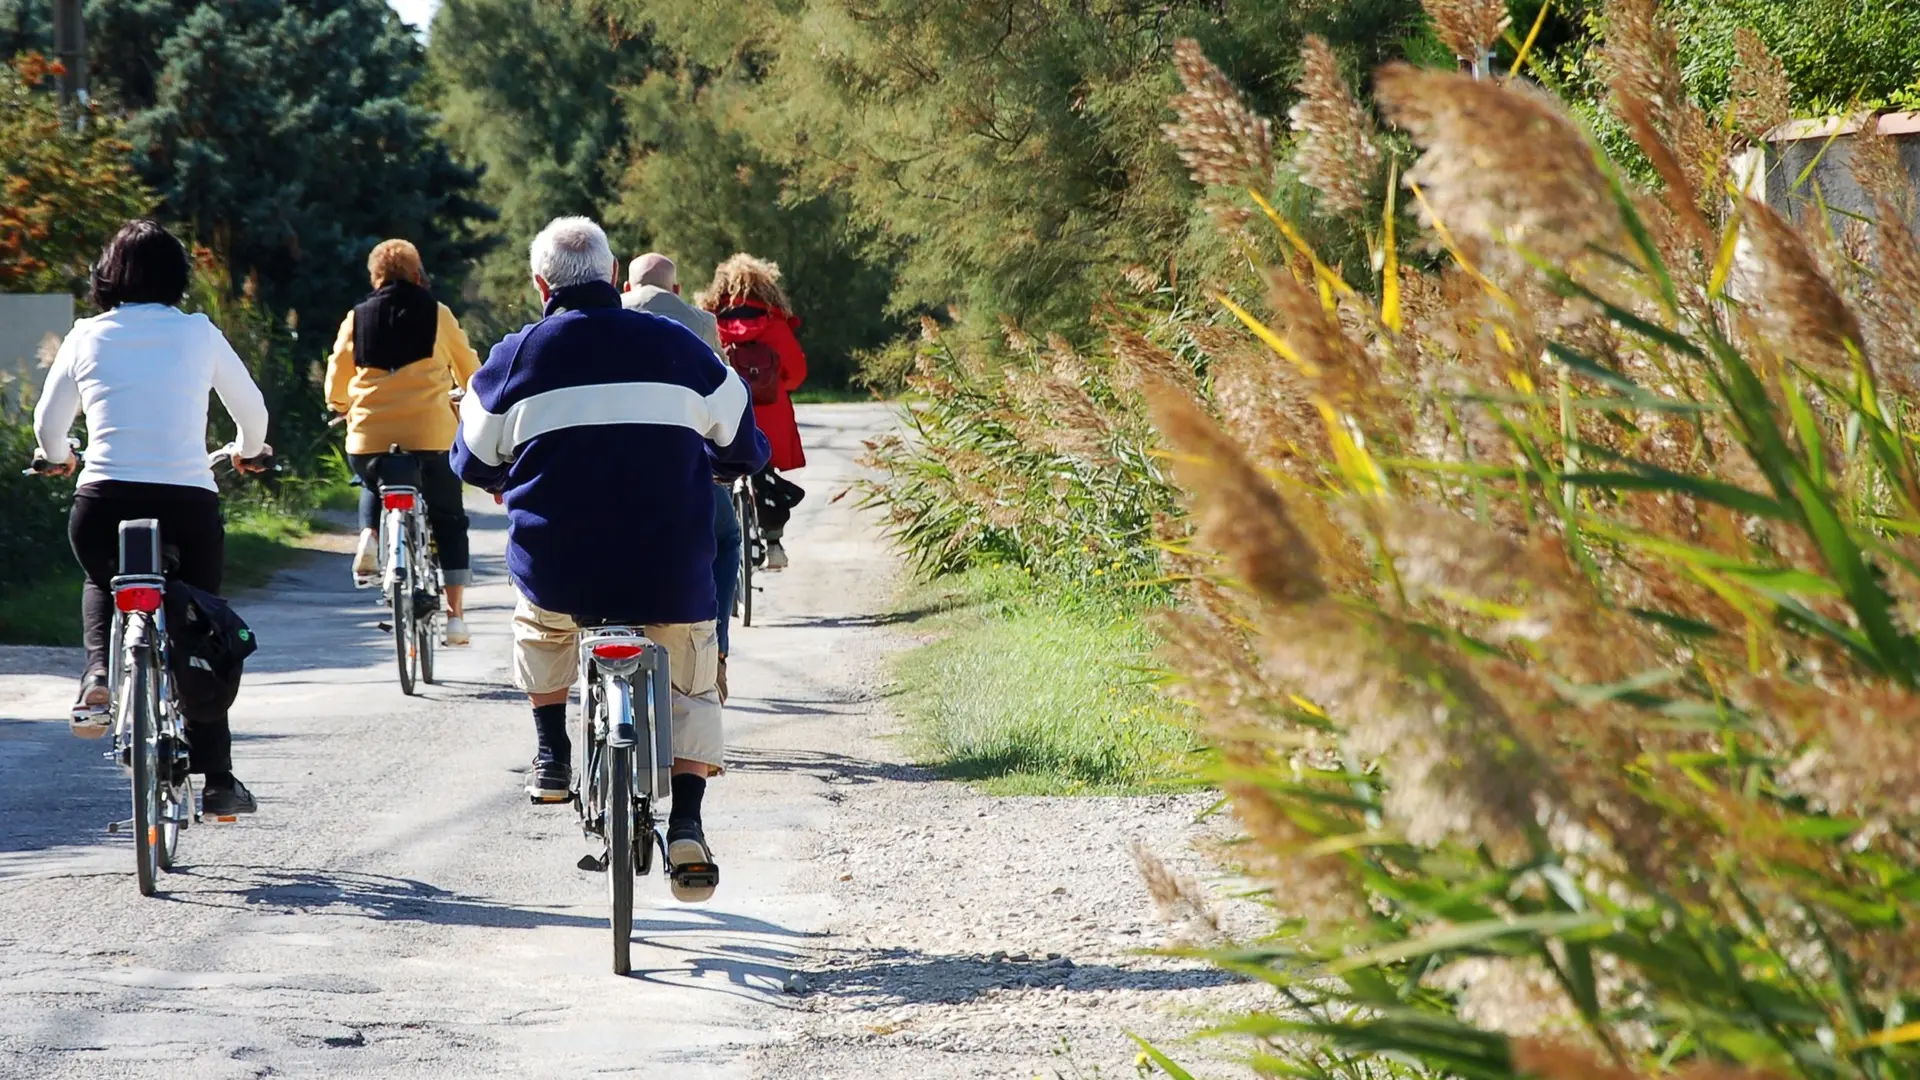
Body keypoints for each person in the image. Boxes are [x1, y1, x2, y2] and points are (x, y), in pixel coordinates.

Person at [453, 218, 768, 897]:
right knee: (691, 678)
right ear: (611, 270)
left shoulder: (515, 356)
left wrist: (512, 474)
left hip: (561, 569)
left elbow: (471, 459)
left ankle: (551, 752)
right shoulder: (679, 347)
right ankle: (687, 824)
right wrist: (717, 461)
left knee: (540, 624)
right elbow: (744, 441)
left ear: (541, 284)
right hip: (668, 569)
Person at [31, 219, 270, 816]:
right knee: (195, 625)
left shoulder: (86, 334)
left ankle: (96, 680)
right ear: (177, 277)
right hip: (186, 505)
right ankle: (217, 780)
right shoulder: (197, 333)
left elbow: (46, 427)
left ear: (106, 275)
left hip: (102, 503)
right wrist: (246, 451)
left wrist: (59, 459)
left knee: (101, 580)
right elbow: (252, 413)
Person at [324, 239, 483, 645]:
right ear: (418, 274)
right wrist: (466, 394)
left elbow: (336, 381)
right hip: (430, 435)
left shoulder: (356, 318)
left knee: (370, 479)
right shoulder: (438, 314)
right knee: (449, 518)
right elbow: (470, 371)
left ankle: (369, 537)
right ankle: (455, 617)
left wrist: (342, 404)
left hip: (369, 438)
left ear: (375, 277)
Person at [624, 252, 740, 698]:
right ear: (675, 289)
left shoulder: (608, 315)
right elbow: (723, 395)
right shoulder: (701, 322)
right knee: (725, 538)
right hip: (686, 470)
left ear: (627, 285)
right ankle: (719, 653)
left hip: (612, 472)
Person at [699, 254, 807, 571]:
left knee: (713, 472)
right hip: (770, 418)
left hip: (723, 414)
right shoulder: (774, 325)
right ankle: (773, 541)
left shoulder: (709, 320)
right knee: (765, 475)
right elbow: (797, 373)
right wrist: (775, 386)